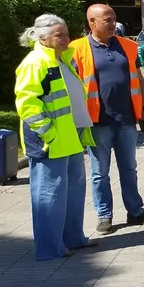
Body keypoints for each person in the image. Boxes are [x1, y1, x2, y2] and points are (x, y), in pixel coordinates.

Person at [15, 15, 98, 259]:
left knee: (72, 192)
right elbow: (27, 104)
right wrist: (48, 133)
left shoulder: (62, 59)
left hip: (70, 136)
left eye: (66, 33)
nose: (66, 39)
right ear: (43, 38)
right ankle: (50, 249)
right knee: (49, 194)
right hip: (49, 141)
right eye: (59, 35)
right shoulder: (35, 63)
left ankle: (73, 239)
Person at [70, 4, 144, 234]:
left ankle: (135, 212)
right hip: (97, 121)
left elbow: (139, 80)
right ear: (92, 22)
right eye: (107, 19)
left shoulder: (128, 46)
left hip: (126, 119)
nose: (113, 23)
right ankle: (104, 215)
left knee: (129, 168)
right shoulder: (76, 49)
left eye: (114, 18)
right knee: (100, 173)